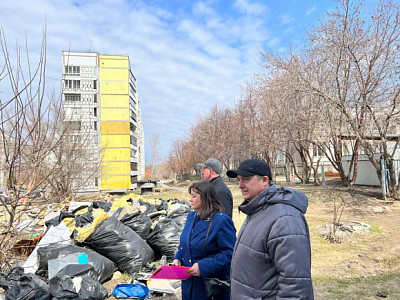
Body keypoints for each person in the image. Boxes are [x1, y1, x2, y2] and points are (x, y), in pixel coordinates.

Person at [227, 158, 314, 299]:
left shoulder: (284, 219)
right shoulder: (256, 210)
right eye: (239, 180)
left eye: (246, 179)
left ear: (264, 180)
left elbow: (295, 286)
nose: (240, 185)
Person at [172, 181, 236, 300]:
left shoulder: (221, 221)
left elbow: (230, 254)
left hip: (209, 289)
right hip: (189, 286)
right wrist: (178, 258)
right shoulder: (192, 216)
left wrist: (203, 266)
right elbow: (184, 243)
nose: (190, 199)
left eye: (194, 196)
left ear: (206, 198)